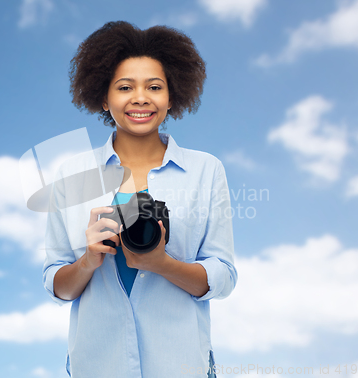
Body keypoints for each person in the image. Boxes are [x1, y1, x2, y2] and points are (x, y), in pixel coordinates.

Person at [43, 21, 237, 378]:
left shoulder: (205, 170)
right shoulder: (71, 175)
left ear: (172, 95)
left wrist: (162, 263)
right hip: (96, 365)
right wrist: (88, 260)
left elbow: (223, 276)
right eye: (124, 87)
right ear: (103, 97)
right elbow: (56, 284)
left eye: (155, 87)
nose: (140, 98)